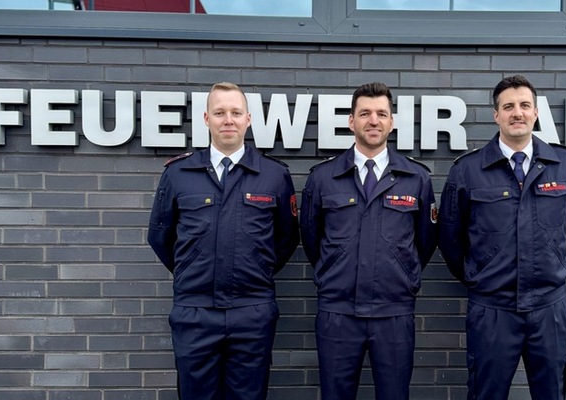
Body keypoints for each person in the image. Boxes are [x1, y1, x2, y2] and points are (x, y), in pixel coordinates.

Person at [438, 75, 566, 400]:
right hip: (492, 309)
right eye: (508, 106)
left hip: (548, 307)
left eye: (524, 105)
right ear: (496, 115)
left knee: (552, 394)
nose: (516, 112)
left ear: (536, 112)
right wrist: (476, 276)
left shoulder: (564, 163)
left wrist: (556, 265)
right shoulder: (468, 169)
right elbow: (450, 237)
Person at [147, 82, 300, 400]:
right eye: (219, 112)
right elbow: (160, 236)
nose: (227, 119)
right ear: (206, 119)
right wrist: (192, 268)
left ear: (248, 119)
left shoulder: (274, 175)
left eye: (235, 112)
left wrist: (257, 266)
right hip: (195, 311)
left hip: (252, 311)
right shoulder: (178, 173)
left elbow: (286, 239)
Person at [300, 82, 438, 400]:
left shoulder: (416, 178)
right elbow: (311, 237)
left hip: (394, 311)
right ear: (351, 121)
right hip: (338, 311)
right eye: (365, 113)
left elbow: (425, 242)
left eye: (381, 114)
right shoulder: (323, 178)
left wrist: (404, 273)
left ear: (391, 121)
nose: (373, 120)